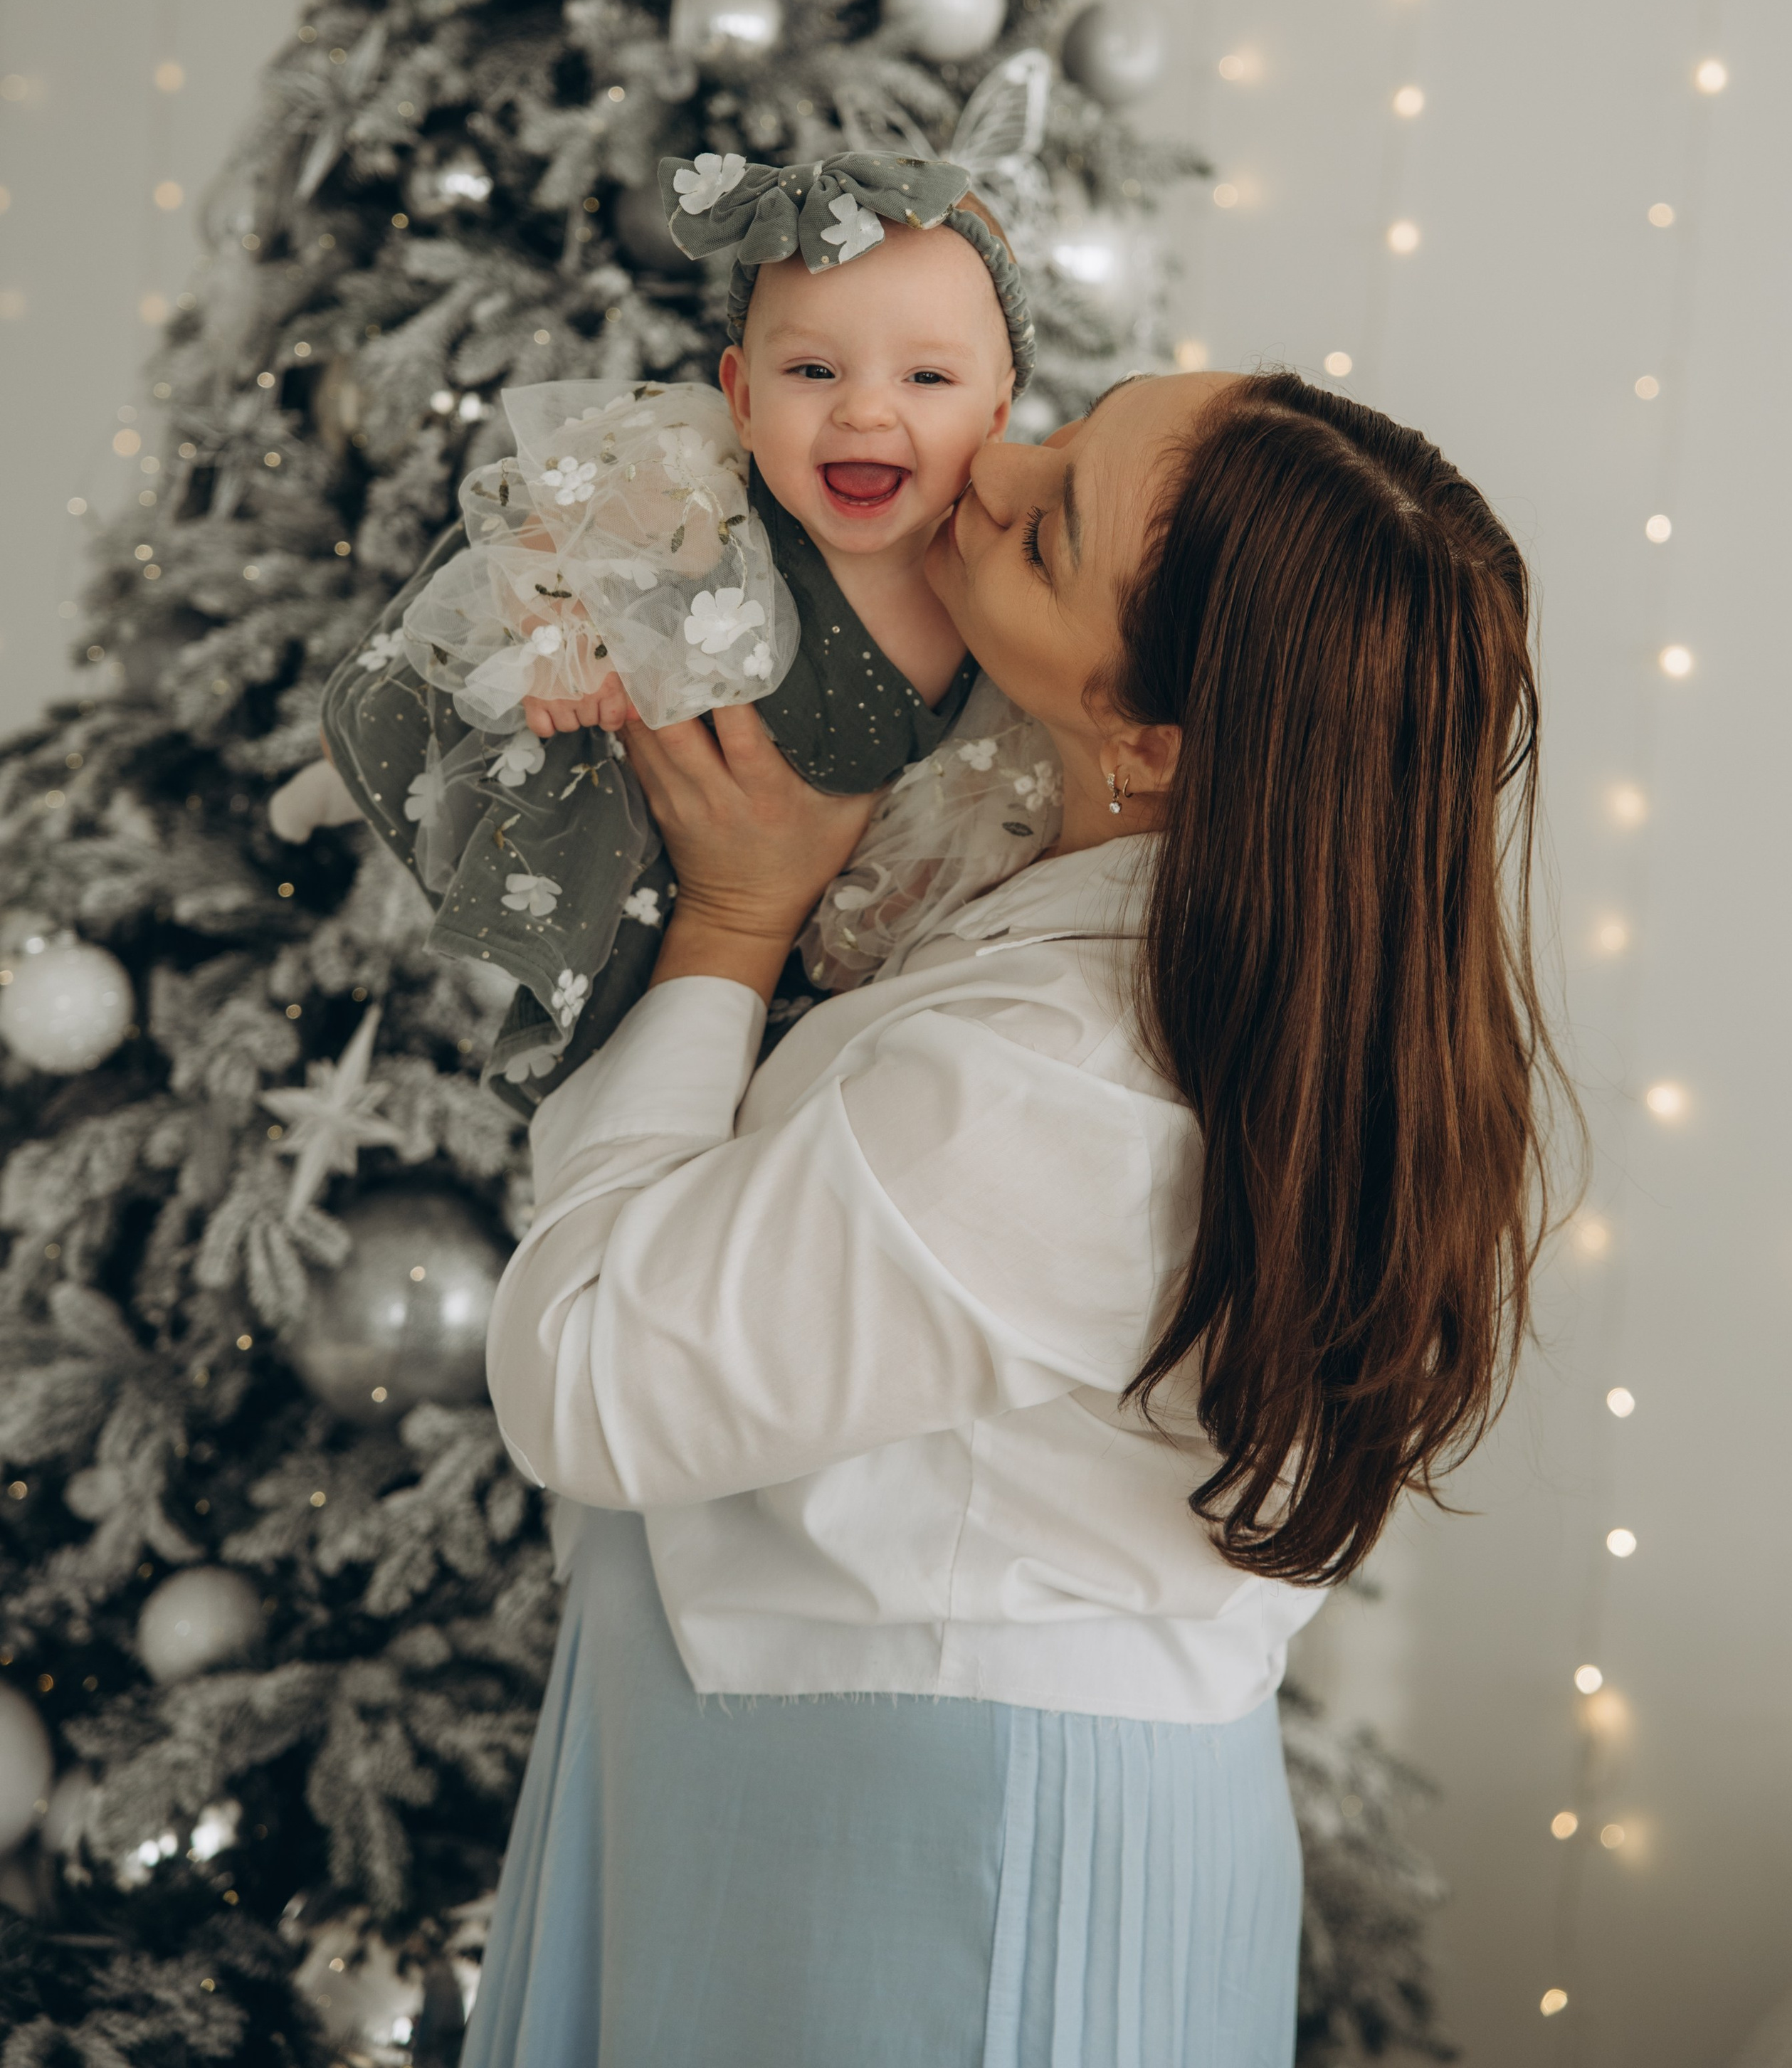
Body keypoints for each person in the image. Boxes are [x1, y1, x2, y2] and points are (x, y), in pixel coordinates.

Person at [463, 365, 1560, 2068]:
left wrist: (733, 925)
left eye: (1050, 529)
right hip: (913, 1787)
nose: (992, 465)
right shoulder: (1240, 973)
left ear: (1152, 740)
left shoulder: (1062, 1080)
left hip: (937, 1860)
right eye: (1067, 422)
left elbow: (591, 1376)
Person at [316, 149, 1047, 1106]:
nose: (866, 410)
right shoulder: (703, 490)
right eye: (813, 370)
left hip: (787, 882)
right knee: (459, 734)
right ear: (742, 396)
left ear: (995, 416)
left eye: (927, 377)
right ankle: (329, 779)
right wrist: (560, 633)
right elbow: (542, 532)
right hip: (624, 795)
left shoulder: (999, 574)